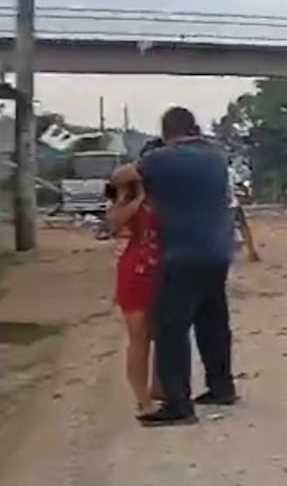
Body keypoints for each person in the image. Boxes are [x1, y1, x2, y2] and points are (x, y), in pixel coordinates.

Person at [126, 107, 238, 427]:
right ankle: (221, 387)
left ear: (166, 132)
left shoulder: (159, 160)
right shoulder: (217, 157)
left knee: (171, 328)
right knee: (213, 322)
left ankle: (178, 403)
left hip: (181, 254)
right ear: (194, 127)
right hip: (218, 252)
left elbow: (125, 176)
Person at [106, 138, 165, 416]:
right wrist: (139, 194)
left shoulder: (170, 193)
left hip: (163, 270)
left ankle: (159, 388)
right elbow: (114, 223)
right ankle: (142, 399)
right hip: (137, 270)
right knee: (139, 337)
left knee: (163, 334)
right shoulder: (128, 195)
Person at [228, 161, 261, 262]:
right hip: (231, 204)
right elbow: (240, 185)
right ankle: (251, 252)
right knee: (243, 226)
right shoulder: (230, 171)